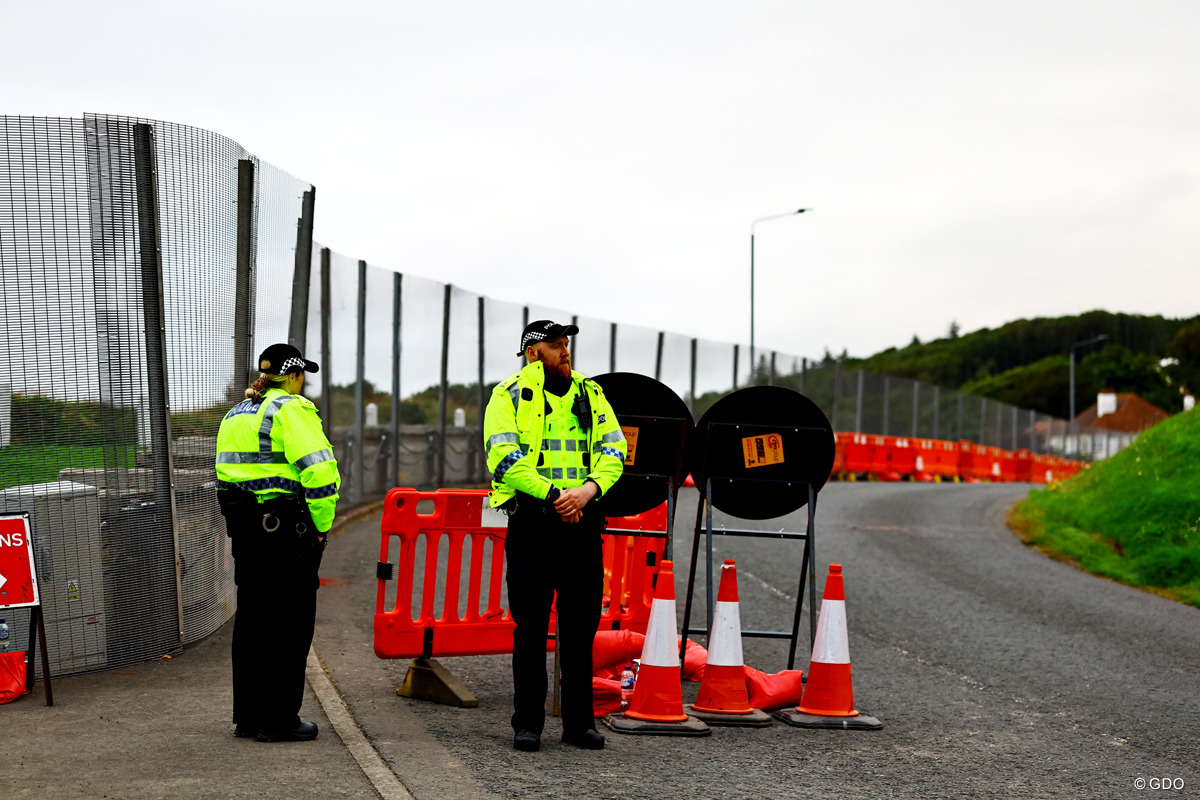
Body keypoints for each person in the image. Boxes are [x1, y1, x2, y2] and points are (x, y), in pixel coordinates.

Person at [483, 320, 627, 752]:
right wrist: (552, 496)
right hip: (533, 523)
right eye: (555, 345)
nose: (565, 351)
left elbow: (614, 450)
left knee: (580, 630)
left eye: (566, 344)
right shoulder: (507, 394)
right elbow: (503, 457)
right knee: (530, 629)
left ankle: (579, 724)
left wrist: (586, 491)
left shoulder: (591, 393)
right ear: (532, 353)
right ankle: (527, 724)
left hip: (581, 523)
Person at [215, 343, 340, 743]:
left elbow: (226, 478)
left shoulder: (236, 413)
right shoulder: (291, 410)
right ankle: (280, 720)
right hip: (286, 536)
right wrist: (321, 529)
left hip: (247, 535)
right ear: (296, 376)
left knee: (253, 623)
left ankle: (249, 718)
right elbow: (321, 476)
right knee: (289, 625)